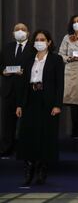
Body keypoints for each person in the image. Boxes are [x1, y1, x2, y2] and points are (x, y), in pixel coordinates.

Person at [15, 30, 64, 187]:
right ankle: (29, 168)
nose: (39, 42)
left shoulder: (56, 59)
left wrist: (57, 104)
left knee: (45, 135)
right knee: (28, 134)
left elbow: (59, 84)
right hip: (30, 100)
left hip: (47, 101)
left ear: (49, 42)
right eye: (37, 39)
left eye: (42, 39)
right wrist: (20, 104)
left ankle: (42, 169)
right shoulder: (29, 59)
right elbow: (23, 84)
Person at [0, 23, 36, 158]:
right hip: (8, 91)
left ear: (28, 33)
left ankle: (24, 150)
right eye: (17, 29)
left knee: (26, 123)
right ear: (12, 33)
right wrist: (3, 72)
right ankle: (6, 149)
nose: (20, 31)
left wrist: (25, 72)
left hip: (26, 90)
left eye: (23, 29)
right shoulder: (7, 47)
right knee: (7, 122)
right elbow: (1, 65)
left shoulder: (33, 48)